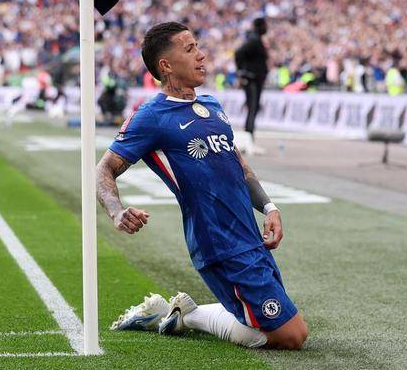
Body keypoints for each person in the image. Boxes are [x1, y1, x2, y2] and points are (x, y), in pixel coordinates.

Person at [96, 22, 308, 350]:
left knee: (273, 326)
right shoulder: (152, 116)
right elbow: (104, 168)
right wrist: (116, 211)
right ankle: (189, 317)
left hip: (249, 236)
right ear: (166, 65)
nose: (201, 55)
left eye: (197, 46)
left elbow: (239, 166)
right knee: (292, 335)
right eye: (189, 49)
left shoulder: (212, 106)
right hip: (218, 243)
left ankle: (182, 314)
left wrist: (269, 207)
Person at [235, 18, 269, 152]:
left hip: (255, 79)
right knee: (252, 108)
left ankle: (248, 139)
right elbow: (239, 53)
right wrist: (242, 71)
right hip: (252, 79)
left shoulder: (256, 39)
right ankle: (249, 139)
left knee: (253, 108)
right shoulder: (254, 40)